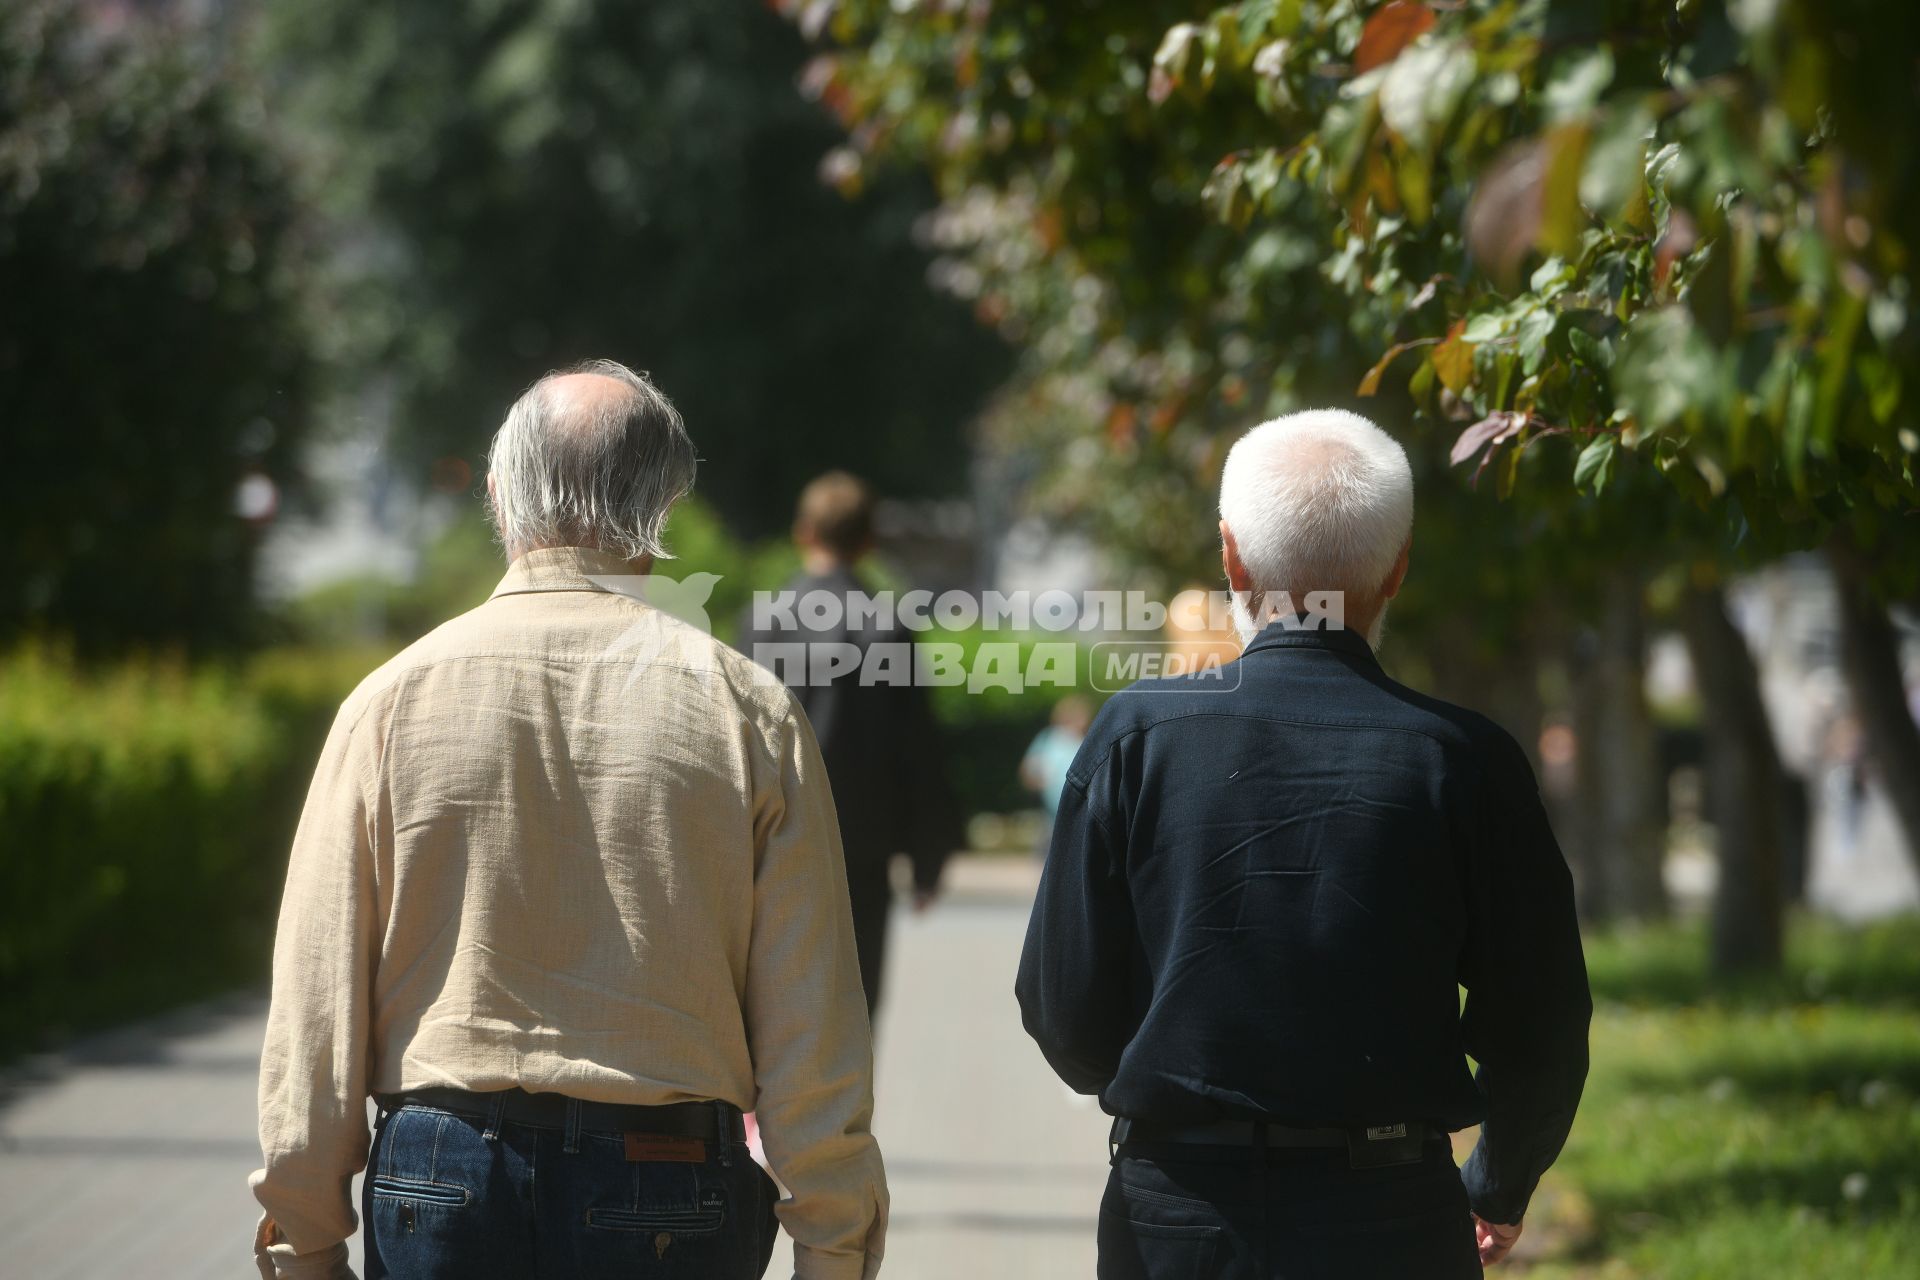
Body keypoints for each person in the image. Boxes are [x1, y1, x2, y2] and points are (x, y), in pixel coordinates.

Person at [251, 362, 887, 1280]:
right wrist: (834, 1242)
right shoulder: (746, 711)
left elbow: (316, 1000)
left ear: (500, 494)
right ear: (664, 506)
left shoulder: (388, 704)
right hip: (669, 1181)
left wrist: (303, 1236)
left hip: (439, 1169)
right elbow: (811, 1018)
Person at [1016, 409, 1591, 1279]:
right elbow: (1544, 1025)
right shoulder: (1464, 761)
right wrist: (1497, 1184)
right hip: (1395, 1218)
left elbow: (1061, 1007)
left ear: (1232, 557)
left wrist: (1178, 1097)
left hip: (1177, 1213)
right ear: (1397, 568)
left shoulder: (1135, 737)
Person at [741, 471, 963, 1021]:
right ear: (868, 541)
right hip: (860, 849)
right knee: (851, 1007)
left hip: (772, 840)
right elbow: (917, 751)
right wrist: (928, 857)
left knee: (769, 1004)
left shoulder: (762, 622)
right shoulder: (888, 626)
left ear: (804, 532)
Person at [1021, 695, 1094, 856]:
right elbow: (1029, 769)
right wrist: (1041, 784)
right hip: (1053, 812)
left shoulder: (1085, 740)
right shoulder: (1049, 738)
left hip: (1079, 810)